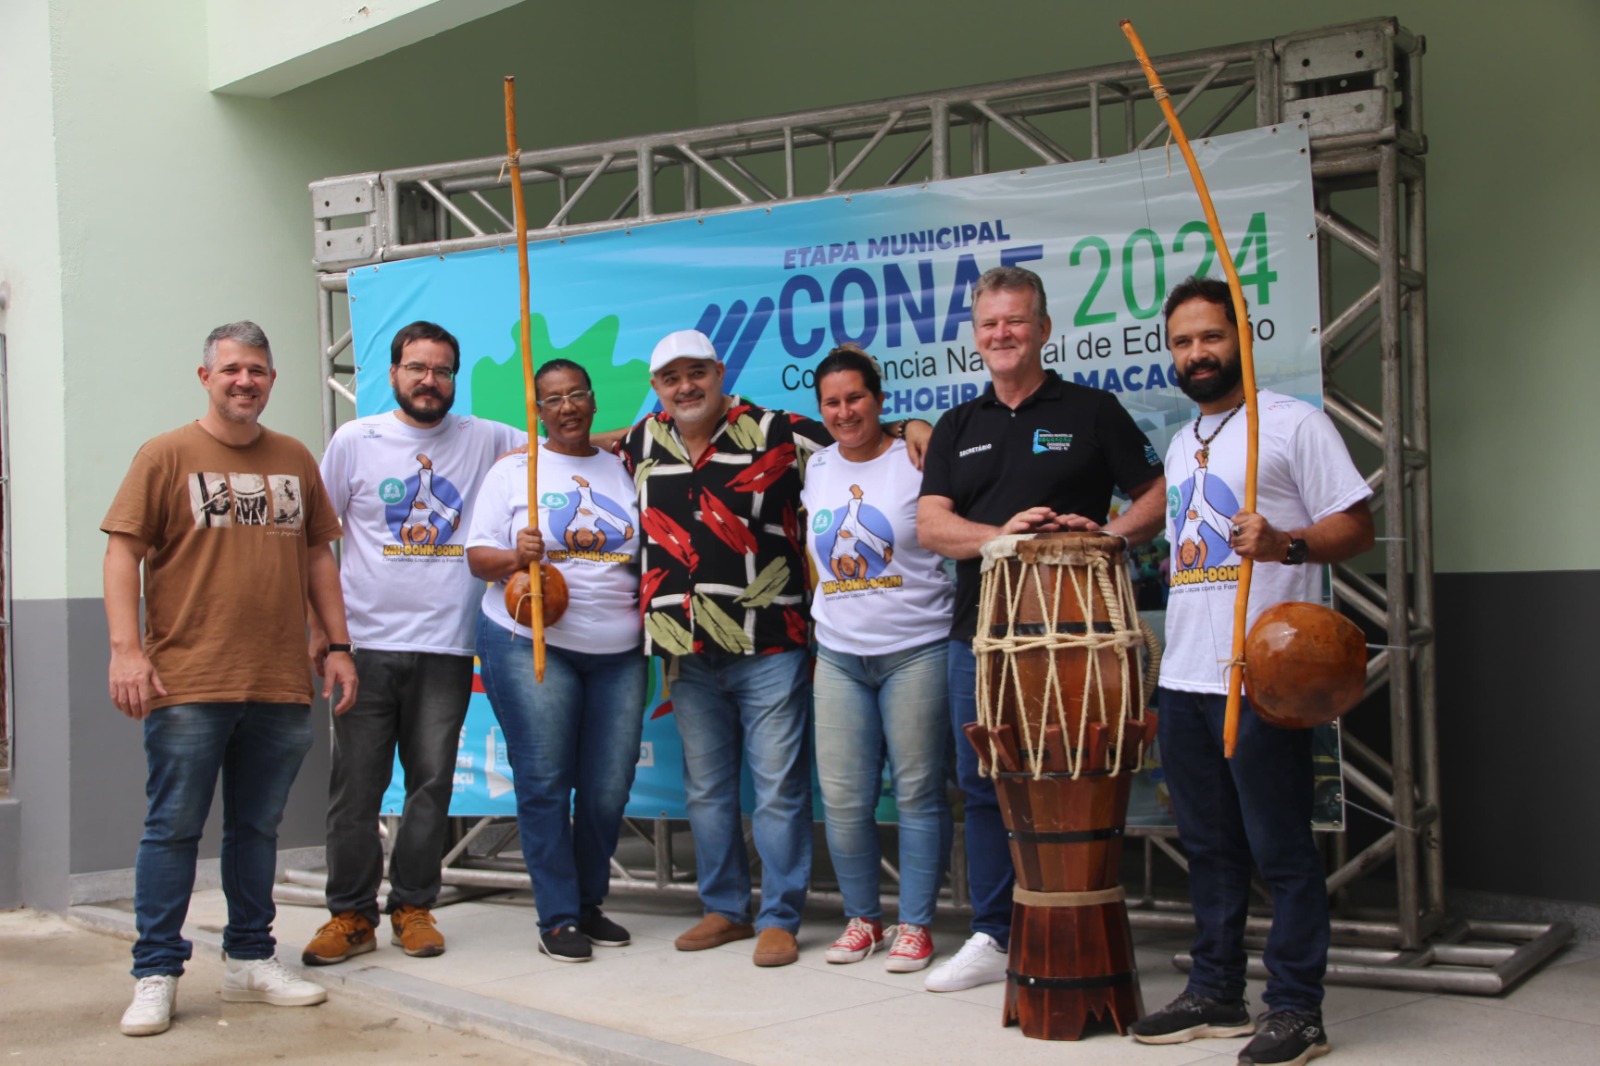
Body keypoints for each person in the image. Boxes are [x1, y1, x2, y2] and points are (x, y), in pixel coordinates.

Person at [616, 329, 931, 968]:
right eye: (671, 378)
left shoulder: (778, 431)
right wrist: (545, 442)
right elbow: (592, 448)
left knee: (778, 790)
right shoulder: (643, 439)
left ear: (719, 372)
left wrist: (913, 425)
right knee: (707, 790)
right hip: (685, 648)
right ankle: (725, 909)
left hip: (769, 642)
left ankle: (780, 916)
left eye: (696, 372)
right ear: (656, 388)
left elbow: (856, 434)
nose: (685, 387)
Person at [1130, 276, 1373, 1066]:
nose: (1196, 353)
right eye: (1182, 342)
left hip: (1260, 678)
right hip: (1187, 676)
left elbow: (1356, 526)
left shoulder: (1293, 424)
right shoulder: (1183, 442)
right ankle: (1216, 991)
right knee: (1208, 847)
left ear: (1243, 337)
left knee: (1282, 850)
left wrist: (1285, 544)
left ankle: (1298, 1009)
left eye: (1211, 336)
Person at [102, 321, 358, 1037]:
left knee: (256, 829)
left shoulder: (294, 457)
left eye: (258, 370)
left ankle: (249, 959)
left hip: (278, 681)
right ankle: (156, 971)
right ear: (206, 377)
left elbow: (317, 558)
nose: (245, 381)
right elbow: (122, 553)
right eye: (232, 369)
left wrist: (338, 643)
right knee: (172, 829)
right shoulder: (165, 455)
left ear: (272, 380)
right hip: (186, 682)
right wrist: (126, 651)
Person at [916, 266, 1166, 992]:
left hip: (1079, 634)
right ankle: (994, 933)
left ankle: (1074, 922)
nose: (1002, 334)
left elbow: (1157, 493)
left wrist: (1110, 537)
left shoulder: (1092, 410)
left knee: (1075, 775)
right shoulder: (958, 425)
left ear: (1044, 329)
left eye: (1016, 320)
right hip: (980, 637)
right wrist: (1002, 537)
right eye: (989, 323)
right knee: (985, 779)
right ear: (975, 336)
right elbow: (931, 525)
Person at [302, 322, 524, 967]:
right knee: (357, 788)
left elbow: (562, 450)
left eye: (442, 370)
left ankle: (413, 907)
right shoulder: (356, 440)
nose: (430, 380)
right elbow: (314, 540)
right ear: (393, 373)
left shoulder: (486, 437)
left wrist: (636, 436)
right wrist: (326, 635)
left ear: (455, 377)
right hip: (364, 648)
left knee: (430, 784)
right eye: (417, 368)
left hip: (446, 649)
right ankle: (350, 915)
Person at [467, 359, 645, 963]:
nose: (566, 407)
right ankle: (559, 915)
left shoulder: (624, 467)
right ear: (537, 411)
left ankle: (589, 903)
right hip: (530, 640)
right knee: (545, 781)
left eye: (576, 395)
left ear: (593, 401)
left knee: (607, 787)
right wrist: (514, 557)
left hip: (618, 651)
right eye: (552, 399)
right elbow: (477, 558)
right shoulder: (515, 471)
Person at [801, 346, 954, 973]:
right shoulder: (816, 466)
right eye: (832, 402)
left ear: (880, 399)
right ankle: (862, 919)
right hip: (839, 654)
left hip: (916, 648)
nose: (844, 412)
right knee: (842, 799)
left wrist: (915, 427)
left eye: (856, 398)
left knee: (917, 791)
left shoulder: (917, 457)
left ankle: (916, 925)